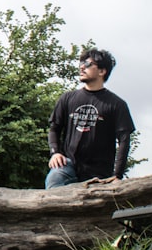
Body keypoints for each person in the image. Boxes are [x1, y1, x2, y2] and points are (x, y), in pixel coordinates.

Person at [45, 48, 135, 189]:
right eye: (81, 63)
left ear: (102, 71)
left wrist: (117, 175)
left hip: (99, 173)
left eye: (88, 64)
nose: (82, 67)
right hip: (68, 166)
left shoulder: (117, 104)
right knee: (55, 179)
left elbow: (124, 141)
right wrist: (55, 153)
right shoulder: (67, 99)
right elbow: (54, 128)